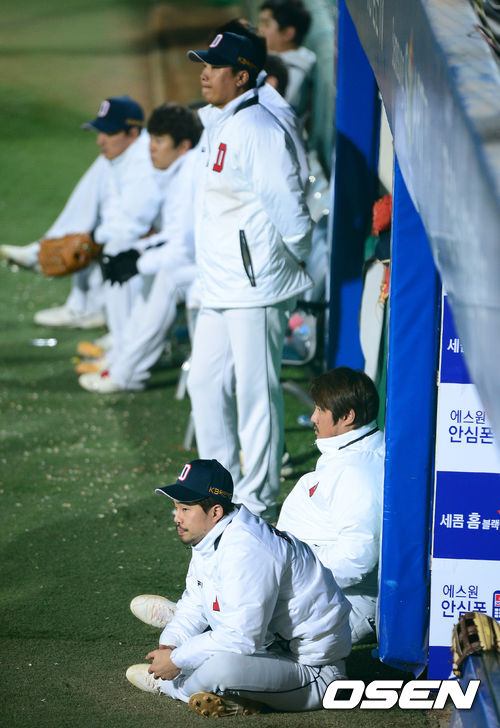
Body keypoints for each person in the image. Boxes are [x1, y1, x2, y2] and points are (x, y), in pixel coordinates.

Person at [185, 30, 313, 522]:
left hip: (255, 284)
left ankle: (257, 500)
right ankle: (219, 487)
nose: (204, 73)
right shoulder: (220, 121)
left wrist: (295, 258)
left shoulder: (257, 126)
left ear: (241, 76)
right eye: (203, 63)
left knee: (256, 394)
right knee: (204, 382)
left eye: (214, 66)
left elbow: (289, 205)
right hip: (219, 282)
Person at [125, 459, 351, 717]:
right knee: (200, 648)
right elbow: (195, 601)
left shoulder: (247, 548)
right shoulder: (212, 534)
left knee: (221, 669)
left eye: (185, 509)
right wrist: (171, 644)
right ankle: (235, 695)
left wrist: (175, 662)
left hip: (315, 670)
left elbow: (241, 638)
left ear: (215, 512)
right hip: (269, 648)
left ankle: (170, 687)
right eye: (176, 508)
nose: (177, 517)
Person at [0, 96, 162, 330]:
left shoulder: (144, 161)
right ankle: (86, 304)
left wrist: (93, 237)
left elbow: (134, 223)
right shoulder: (120, 155)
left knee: (111, 242)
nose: (100, 140)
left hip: (165, 243)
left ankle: (122, 331)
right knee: (89, 236)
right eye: (100, 132)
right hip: (138, 232)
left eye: (109, 133)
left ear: (133, 133)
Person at [77, 103, 203, 393]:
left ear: (183, 146)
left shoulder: (190, 174)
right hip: (198, 257)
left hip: (219, 266)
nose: (151, 148)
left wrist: (138, 261)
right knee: (136, 263)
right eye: (152, 138)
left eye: (160, 140)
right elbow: (173, 236)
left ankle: (127, 373)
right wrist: (138, 253)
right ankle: (120, 358)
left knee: (166, 278)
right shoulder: (179, 170)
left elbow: (184, 248)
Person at [277, 367, 385, 644]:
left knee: (239, 631)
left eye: (320, 409)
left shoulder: (358, 472)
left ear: (347, 416)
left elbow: (357, 557)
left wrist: (291, 571)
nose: (313, 417)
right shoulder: (352, 453)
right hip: (321, 592)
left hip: (344, 603)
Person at [258, 0, 316, 121]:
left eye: (266, 24)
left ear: (288, 34)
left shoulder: (295, 71)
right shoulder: (274, 56)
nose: (260, 29)